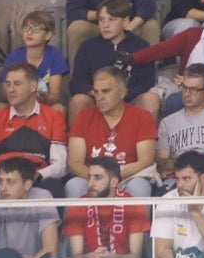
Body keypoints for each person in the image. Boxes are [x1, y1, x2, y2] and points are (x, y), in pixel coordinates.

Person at [0, 61, 67, 198]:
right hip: (2, 178)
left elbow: (61, 164)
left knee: (54, 186)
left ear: (33, 86)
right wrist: (0, 176)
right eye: (8, 84)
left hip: (36, 178)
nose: (10, 90)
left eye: (17, 84)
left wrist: (38, 175)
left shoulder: (54, 117)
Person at [66, 67, 157, 197]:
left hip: (128, 176)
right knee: (74, 185)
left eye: (106, 91)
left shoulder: (142, 117)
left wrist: (112, 179)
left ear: (122, 92)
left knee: (140, 186)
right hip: (91, 176)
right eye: (96, 92)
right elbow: (75, 162)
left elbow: (146, 160)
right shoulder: (83, 117)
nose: (99, 97)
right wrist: (98, 179)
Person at [66, 0, 156, 122]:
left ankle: (147, 141)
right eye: (101, 20)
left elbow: (148, 82)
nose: (105, 25)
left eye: (112, 20)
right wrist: (98, 93)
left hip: (129, 99)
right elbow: (77, 83)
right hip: (97, 100)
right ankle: (75, 141)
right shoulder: (88, 46)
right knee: (78, 100)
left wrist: (121, 94)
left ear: (125, 22)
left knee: (151, 99)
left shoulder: (141, 46)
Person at [0, 156, 62, 258]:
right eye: (1, 181)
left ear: (27, 184)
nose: (2, 188)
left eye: (10, 182)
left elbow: (50, 250)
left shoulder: (43, 197)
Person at [151, 64, 204, 184]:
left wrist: (178, 163)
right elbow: (162, 164)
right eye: (184, 88)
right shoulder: (167, 123)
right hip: (177, 179)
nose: (186, 94)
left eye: (193, 89)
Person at [63, 156, 150, 258]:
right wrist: (90, 257)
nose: (90, 183)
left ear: (114, 182)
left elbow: (136, 256)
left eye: (97, 178)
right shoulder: (78, 206)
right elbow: (76, 256)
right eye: (89, 177)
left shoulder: (133, 205)